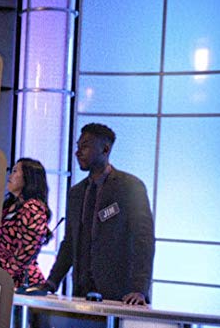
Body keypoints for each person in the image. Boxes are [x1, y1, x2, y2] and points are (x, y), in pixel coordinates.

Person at [45, 122, 155, 306]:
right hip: (81, 292)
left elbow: (143, 240)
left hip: (121, 295)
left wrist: (139, 289)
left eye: (85, 146)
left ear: (105, 149)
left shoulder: (130, 187)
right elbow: (70, 242)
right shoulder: (76, 193)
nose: (78, 152)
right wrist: (52, 282)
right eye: (78, 146)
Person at [0, 157, 52, 288]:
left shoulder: (33, 208)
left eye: (15, 171)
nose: (10, 176)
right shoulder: (10, 205)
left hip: (22, 282)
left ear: (28, 177)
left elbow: (26, 250)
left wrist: (4, 275)